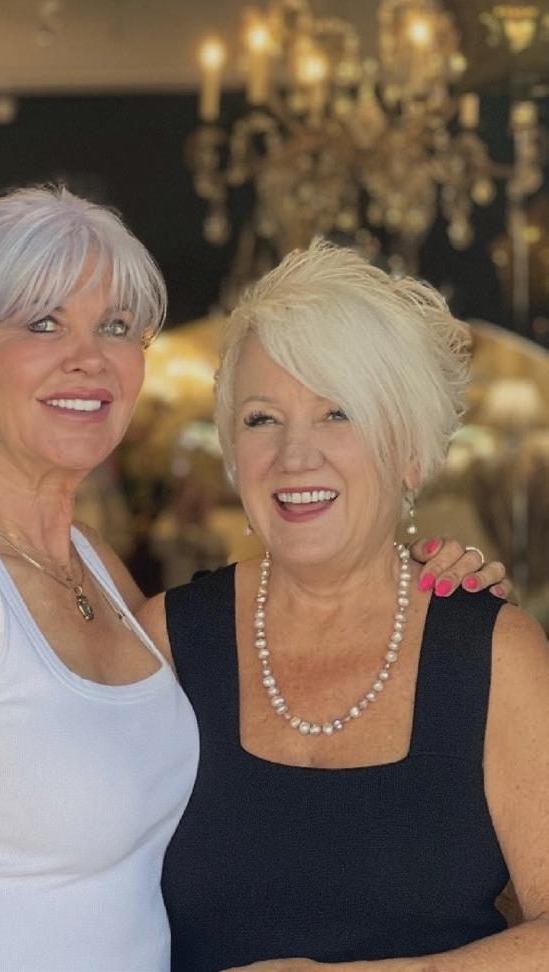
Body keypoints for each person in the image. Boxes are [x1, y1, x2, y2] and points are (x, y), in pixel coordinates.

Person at [0, 187, 508, 972]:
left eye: (115, 326)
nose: (88, 357)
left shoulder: (90, 563)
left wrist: (417, 591)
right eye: (42, 323)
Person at [139, 241, 549, 971]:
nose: (295, 456)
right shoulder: (165, 641)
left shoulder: (493, 654)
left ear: (410, 454)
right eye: (262, 419)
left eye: (338, 413)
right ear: (232, 453)